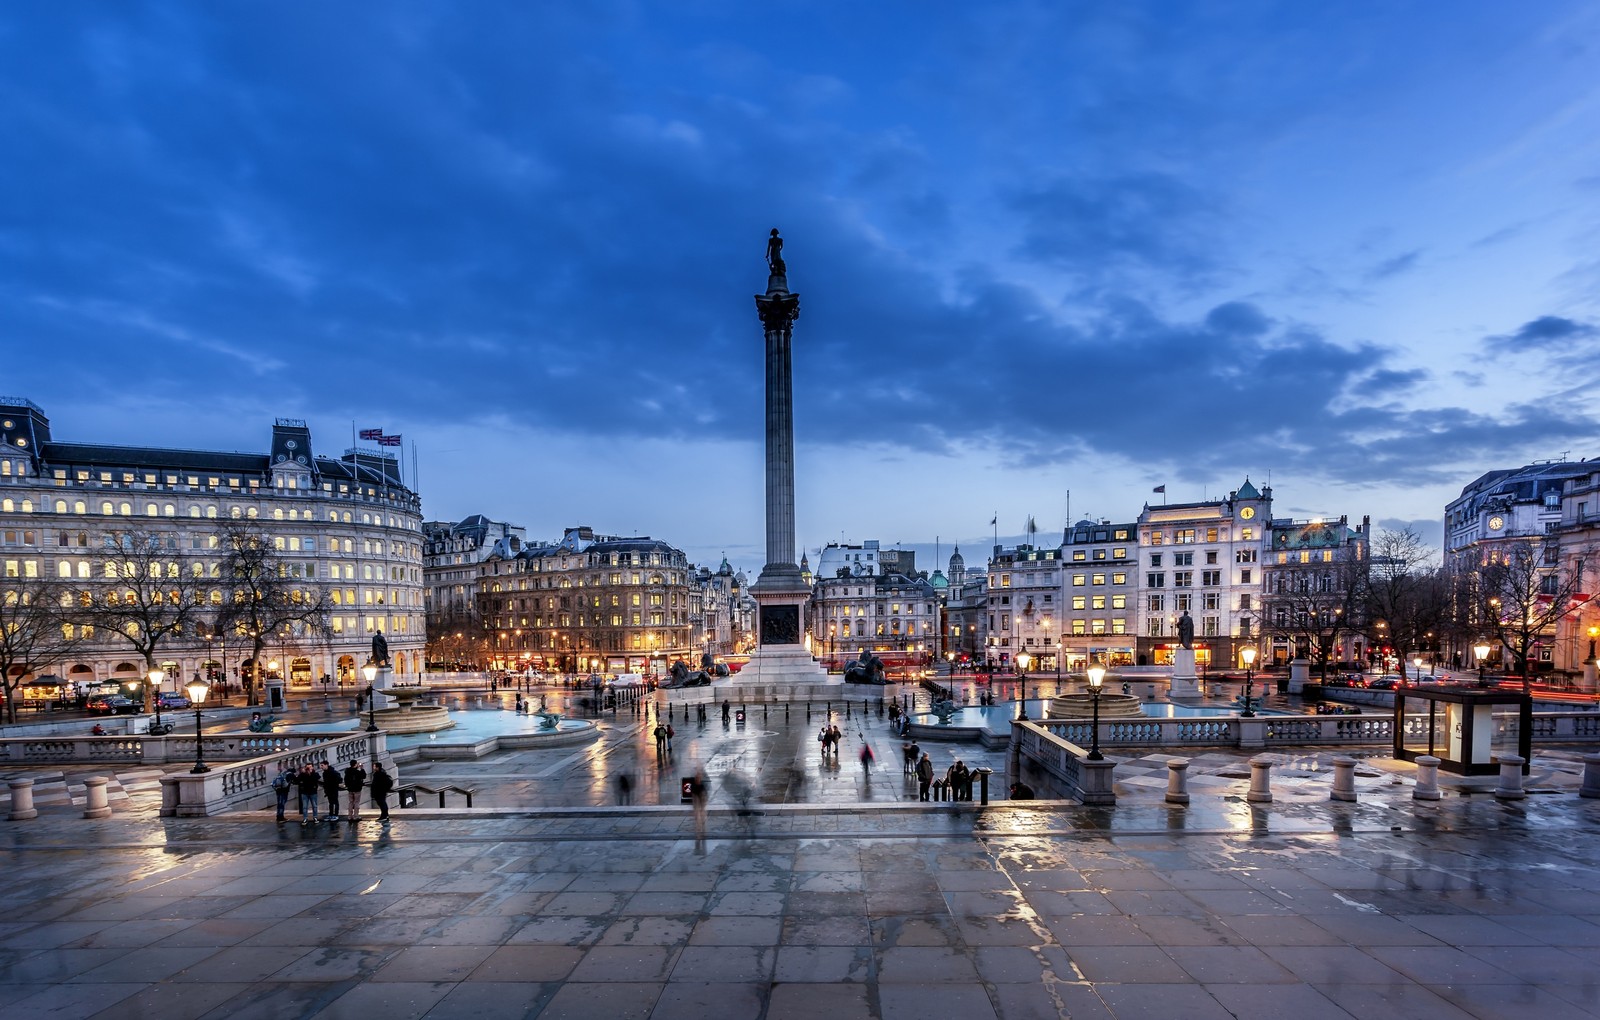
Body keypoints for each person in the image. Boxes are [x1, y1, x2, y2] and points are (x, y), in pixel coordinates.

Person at [689, 768, 709, 855]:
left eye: (699, 777)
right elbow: (694, 797)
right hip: (697, 802)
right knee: (698, 818)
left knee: (702, 817)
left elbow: (704, 795)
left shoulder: (702, 785)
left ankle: (703, 831)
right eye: (697, 777)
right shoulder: (694, 786)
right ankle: (699, 834)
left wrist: (704, 802)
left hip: (701, 802)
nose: (698, 779)